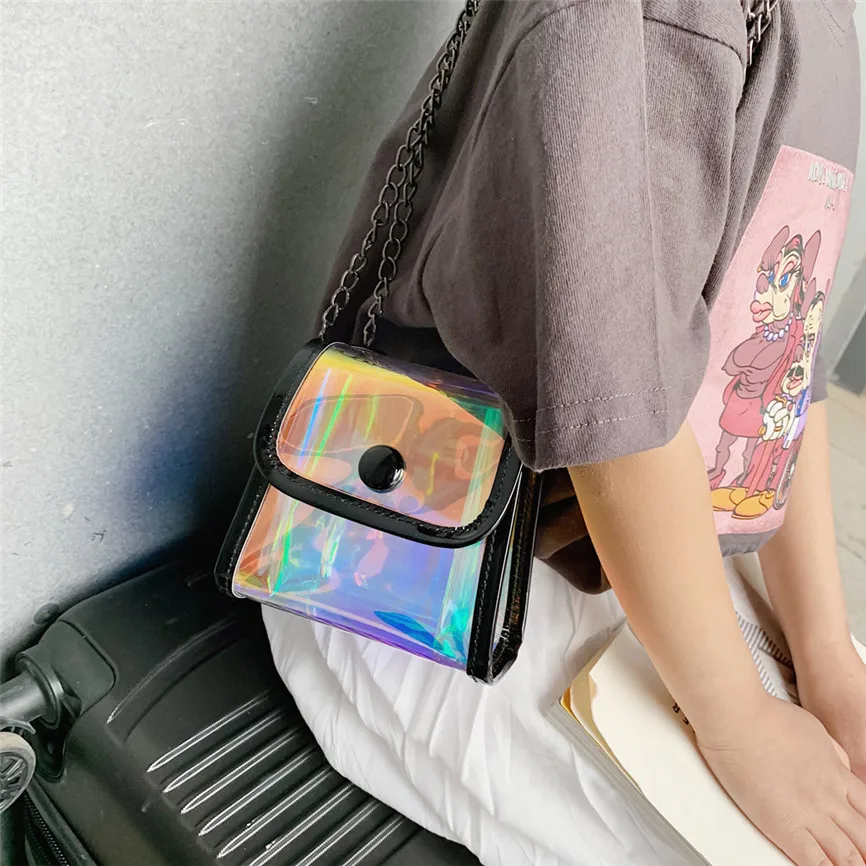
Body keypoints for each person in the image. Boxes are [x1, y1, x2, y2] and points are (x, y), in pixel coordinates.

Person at [264, 2, 865, 864]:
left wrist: (828, 661)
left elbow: (782, 369)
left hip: (637, 545)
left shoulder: (821, 19)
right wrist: (739, 720)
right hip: (426, 552)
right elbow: (618, 413)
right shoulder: (657, 20)